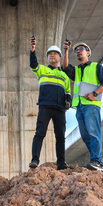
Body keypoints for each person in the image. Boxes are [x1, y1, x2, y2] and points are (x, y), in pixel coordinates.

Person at [62, 40, 103, 171]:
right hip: (79, 107)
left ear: (88, 53)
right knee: (85, 135)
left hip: (91, 105)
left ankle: (97, 161)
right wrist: (66, 51)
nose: (78, 51)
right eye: (76, 50)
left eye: (81, 49)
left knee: (93, 132)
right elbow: (65, 68)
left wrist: (94, 93)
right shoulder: (77, 70)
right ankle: (95, 160)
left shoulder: (97, 67)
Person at [29, 34, 72, 170]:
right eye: (50, 54)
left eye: (55, 54)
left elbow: (68, 93)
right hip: (45, 106)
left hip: (59, 109)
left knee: (60, 137)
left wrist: (68, 102)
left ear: (59, 58)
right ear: (48, 58)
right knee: (40, 133)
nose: (52, 56)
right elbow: (33, 64)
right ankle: (35, 159)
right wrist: (32, 50)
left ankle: (61, 164)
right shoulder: (42, 69)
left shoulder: (64, 76)